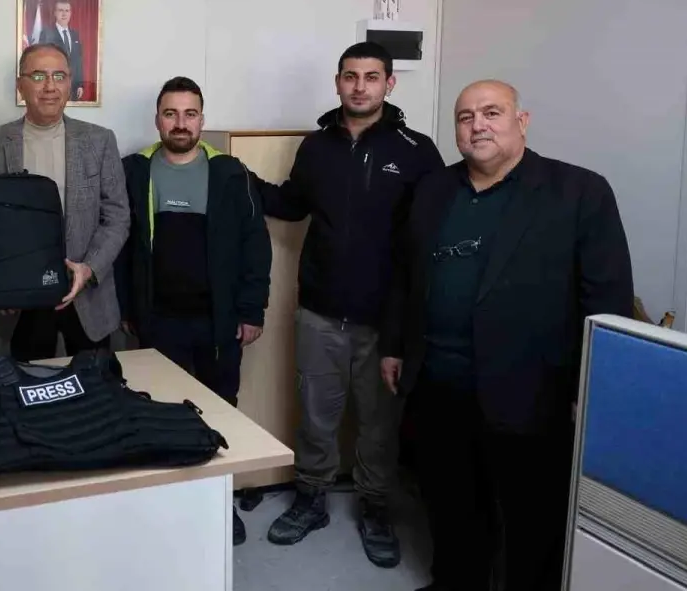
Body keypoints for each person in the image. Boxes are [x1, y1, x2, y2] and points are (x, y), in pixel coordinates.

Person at [380, 80, 633, 591]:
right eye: (465, 117)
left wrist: (594, 388)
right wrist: (393, 345)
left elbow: (606, 298)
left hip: (532, 392)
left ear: (522, 121)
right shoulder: (432, 190)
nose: (478, 125)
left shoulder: (579, 192)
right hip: (440, 385)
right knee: (451, 504)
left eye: (492, 113)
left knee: (531, 519)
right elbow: (406, 275)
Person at [250, 42, 443, 567]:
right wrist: (238, 177)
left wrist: (409, 325)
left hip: (385, 320)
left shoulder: (417, 151)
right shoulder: (316, 147)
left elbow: (429, 237)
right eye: (351, 76)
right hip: (319, 310)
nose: (360, 86)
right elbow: (292, 205)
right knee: (316, 417)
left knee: (378, 424)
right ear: (338, 82)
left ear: (389, 84)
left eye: (371, 76)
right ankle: (310, 498)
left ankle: (375, 508)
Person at [114, 76, 272, 546]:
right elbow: (121, 247)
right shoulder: (134, 170)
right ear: (157, 119)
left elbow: (255, 245)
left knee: (221, 412)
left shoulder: (230, 172)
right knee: (161, 415)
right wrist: (127, 307)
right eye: (171, 114)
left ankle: (219, 504)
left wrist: (252, 310)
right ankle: (171, 505)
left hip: (218, 324)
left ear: (202, 119)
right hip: (157, 321)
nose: (180, 123)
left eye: (189, 114)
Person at [0, 43, 128, 360]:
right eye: (38, 76)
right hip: (21, 299)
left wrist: (89, 269)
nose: (49, 86)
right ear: (20, 85)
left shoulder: (100, 141)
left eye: (59, 76)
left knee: (95, 386)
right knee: (29, 383)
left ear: (69, 83)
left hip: (88, 296)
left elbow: (117, 216)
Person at [37, 0, 85, 100]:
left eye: (67, 11)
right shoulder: (47, 33)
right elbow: (43, 61)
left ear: (70, 13)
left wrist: (80, 84)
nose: (64, 14)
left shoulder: (75, 34)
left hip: (73, 87)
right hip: (54, 86)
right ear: (55, 13)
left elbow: (78, 61)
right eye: (60, 10)